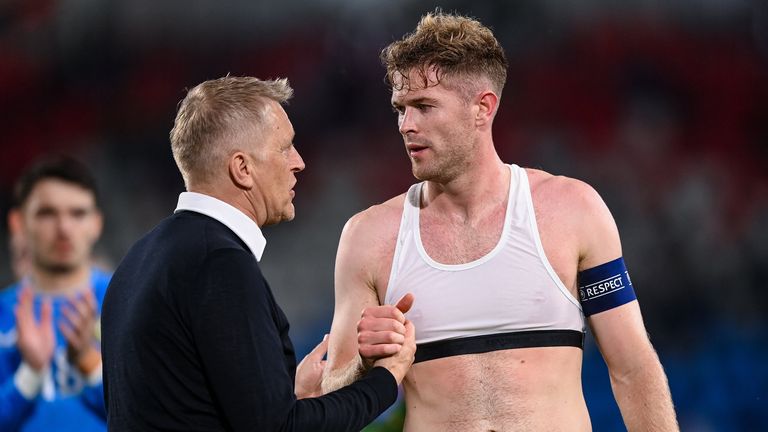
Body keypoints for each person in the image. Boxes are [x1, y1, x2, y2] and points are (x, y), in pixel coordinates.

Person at [322, 11, 679, 431]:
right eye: (400, 109)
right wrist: (364, 365)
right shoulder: (369, 237)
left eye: (423, 106)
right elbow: (334, 397)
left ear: (483, 108)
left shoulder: (573, 210)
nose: (406, 125)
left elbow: (633, 368)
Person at [100, 75, 416, 431]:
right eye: (285, 148)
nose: (299, 162)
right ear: (243, 168)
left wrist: (284, 393)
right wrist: (385, 381)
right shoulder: (218, 263)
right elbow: (280, 429)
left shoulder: (138, 260)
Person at [0, 156, 108, 431]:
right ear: (18, 224)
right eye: (47, 213)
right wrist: (30, 373)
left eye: (78, 213)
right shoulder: (3, 315)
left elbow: (153, 413)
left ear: (97, 224)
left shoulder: (131, 302)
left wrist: (88, 360)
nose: (64, 228)